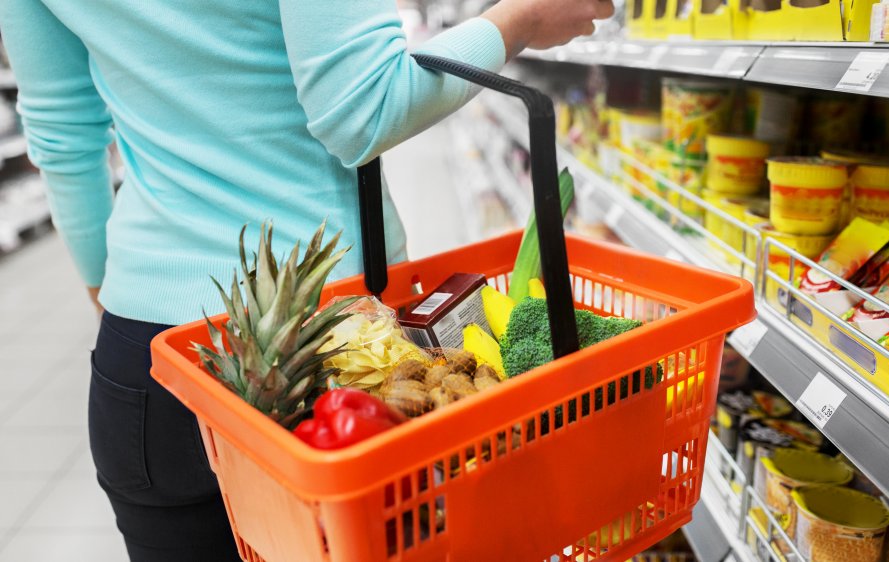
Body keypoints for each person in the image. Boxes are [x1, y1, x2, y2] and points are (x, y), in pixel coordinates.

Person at [0, 1, 614, 560]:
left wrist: (108, 288)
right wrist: (517, 23)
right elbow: (365, 106)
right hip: (327, 353)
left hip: (150, 361)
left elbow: (62, 132)